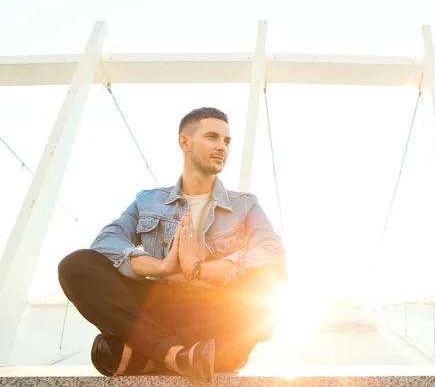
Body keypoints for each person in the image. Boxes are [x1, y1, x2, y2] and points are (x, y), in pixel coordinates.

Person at [58, 107, 286, 381]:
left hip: (219, 315)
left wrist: (198, 269)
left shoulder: (245, 205)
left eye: (226, 141)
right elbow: (107, 242)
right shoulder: (148, 201)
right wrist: (162, 266)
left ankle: (151, 353)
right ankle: (180, 354)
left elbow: (271, 252)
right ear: (184, 142)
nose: (222, 147)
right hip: (159, 307)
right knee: (76, 264)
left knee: (271, 280)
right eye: (212, 137)